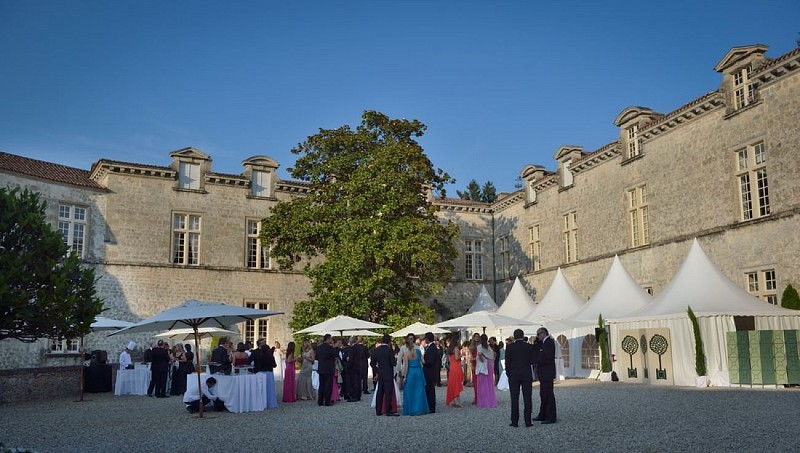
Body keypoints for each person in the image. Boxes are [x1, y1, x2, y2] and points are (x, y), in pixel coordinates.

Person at [505, 328, 537, 427]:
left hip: (514, 374)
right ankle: (528, 421)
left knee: (514, 398)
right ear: (523, 336)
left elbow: (507, 362)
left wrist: (509, 373)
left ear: (514, 337)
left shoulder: (510, 347)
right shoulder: (529, 346)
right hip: (526, 374)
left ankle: (515, 421)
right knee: (527, 398)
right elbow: (533, 360)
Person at [534, 327, 557, 424]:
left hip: (547, 372)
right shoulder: (543, 343)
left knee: (548, 394)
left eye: (538, 334)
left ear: (543, 333)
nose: (537, 336)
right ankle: (543, 414)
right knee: (543, 394)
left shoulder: (549, 343)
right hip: (544, 372)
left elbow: (547, 357)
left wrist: (537, 361)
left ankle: (551, 416)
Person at [402, 333, 429, 416]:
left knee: (410, 391)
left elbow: (406, 366)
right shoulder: (418, 351)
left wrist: (404, 376)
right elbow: (423, 362)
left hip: (410, 372)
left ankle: (411, 409)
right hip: (418, 372)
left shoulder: (406, 353)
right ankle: (420, 408)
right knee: (419, 391)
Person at [373, 334, 399, 416]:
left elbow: (372, 362)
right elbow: (393, 363)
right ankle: (388, 410)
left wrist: (377, 370)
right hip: (388, 372)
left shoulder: (377, 350)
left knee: (380, 391)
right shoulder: (389, 350)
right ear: (389, 341)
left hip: (380, 372)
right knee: (388, 392)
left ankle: (378, 410)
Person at [250, 341, 278, 409]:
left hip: (261, 373)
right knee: (270, 389)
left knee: (261, 389)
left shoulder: (259, 357)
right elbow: (274, 365)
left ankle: (261, 402)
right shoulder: (270, 357)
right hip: (269, 373)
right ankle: (270, 403)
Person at [475, 333, 497, 408]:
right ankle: (490, 400)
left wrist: (481, 360)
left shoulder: (479, 347)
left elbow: (480, 356)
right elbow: (493, 355)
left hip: (483, 364)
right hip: (490, 364)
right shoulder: (489, 347)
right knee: (489, 383)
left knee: (482, 383)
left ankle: (483, 401)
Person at [316, 334, 337, 406]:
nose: (331, 340)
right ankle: (327, 401)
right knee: (328, 385)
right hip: (329, 368)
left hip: (321, 368)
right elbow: (335, 355)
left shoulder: (319, 347)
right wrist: (333, 347)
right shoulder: (330, 348)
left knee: (321, 385)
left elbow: (317, 357)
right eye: (330, 339)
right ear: (328, 339)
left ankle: (320, 401)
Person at [422, 332, 441, 413]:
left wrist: (423, 362)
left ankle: (431, 407)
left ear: (427, 339)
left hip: (430, 371)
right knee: (429, 389)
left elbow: (431, 361)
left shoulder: (432, 348)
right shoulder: (430, 347)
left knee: (430, 390)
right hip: (429, 371)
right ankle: (430, 406)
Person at [445, 334, 464, 408]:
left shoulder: (450, 348)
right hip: (456, 366)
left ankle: (453, 400)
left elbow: (450, 359)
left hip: (452, 366)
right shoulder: (456, 348)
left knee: (452, 383)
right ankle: (457, 401)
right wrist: (462, 355)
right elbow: (456, 357)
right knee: (457, 383)